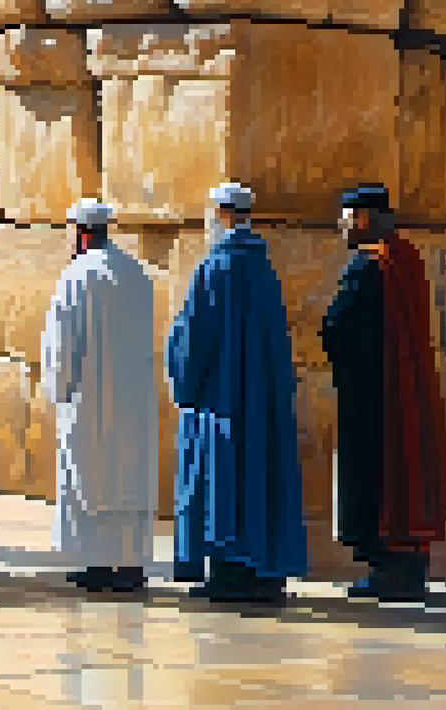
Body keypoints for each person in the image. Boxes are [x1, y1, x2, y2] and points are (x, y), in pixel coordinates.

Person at [167, 182, 308, 603]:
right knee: (261, 479)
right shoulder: (265, 268)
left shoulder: (216, 266)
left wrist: (183, 380)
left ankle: (231, 573)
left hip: (223, 398)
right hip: (261, 399)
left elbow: (195, 335)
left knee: (224, 481)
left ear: (223, 215)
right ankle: (264, 571)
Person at [320, 183, 446, 602]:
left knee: (381, 480)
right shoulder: (407, 260)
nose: (341, 229)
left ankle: (389, 570)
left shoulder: (367, 267)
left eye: (344, 220)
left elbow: (337, 327)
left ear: (361, 218)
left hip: (374, 396)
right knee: (406, 473)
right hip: (402, 387)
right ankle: (409, 566)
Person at [40, 199, 158, 593]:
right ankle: (129, 564)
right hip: (133, 405)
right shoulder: (137, 274)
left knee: (90, 481)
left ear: (82, 232)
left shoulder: (75, 277)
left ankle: (94, 563)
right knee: (128, 481)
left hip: (89, 402)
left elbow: (60, 350)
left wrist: (58, 392)